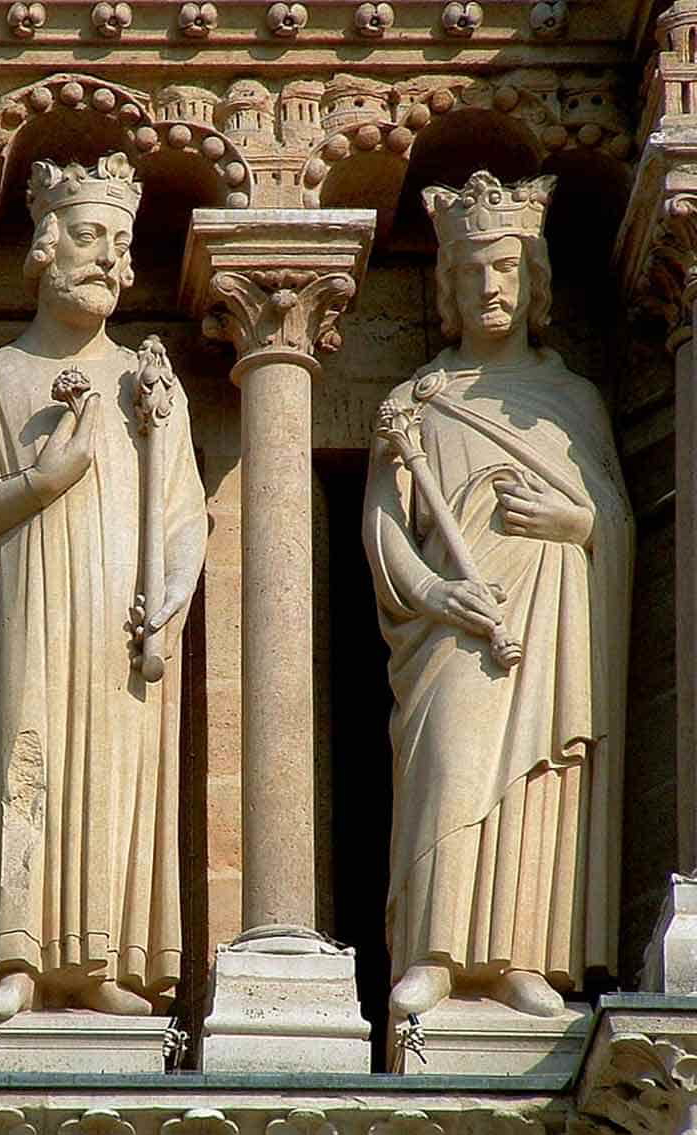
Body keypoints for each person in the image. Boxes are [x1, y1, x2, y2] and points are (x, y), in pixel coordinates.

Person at [363, 170, 633, 1019]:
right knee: (448, 766)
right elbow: (384, 535)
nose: (491, 286)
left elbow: (615, 525)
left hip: (547, 627)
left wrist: (578, 519)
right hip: (455, 630)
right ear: (447, 284)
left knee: (538, 778)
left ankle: (525, 955)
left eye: (508, 268)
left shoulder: (571, 402)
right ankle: (436, 954)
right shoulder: (414, 404)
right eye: (473, 269)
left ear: (534, 281)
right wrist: (439, 595)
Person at [0, 154, 207, 1022]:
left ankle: (102, 961)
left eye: (121, 243)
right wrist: (46, 480)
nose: (109, 258)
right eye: (91, 236)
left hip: (118, 624)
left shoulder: (149, 384)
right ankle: (15, 957)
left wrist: (170, 594)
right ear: (46, 247)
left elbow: (181, 512)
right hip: (25, 611)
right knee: (30, 757)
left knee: (115, 768)